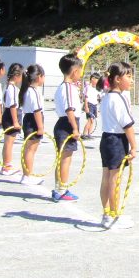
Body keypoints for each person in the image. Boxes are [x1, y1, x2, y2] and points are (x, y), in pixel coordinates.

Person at [99, 61, 137, 229]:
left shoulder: (106, 97)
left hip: (106, 139)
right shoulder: (119, 98)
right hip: (116, 141)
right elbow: (127, 125)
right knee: (115, 179)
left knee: (107, 177)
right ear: (117, 79)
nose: (131, 80)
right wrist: (134, 147)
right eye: (128, 76)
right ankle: (114, 215)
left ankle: (107, 213)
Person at [51, 55, 84, 202]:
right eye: (80, 70)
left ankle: (59, 188)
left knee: (62, 158)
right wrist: (75, 129)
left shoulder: (64, 87)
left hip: (64, 123)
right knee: (65, 159)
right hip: (67, 125)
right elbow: (70, 110)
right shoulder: (68, 88)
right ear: (75, 71)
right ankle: (61, 190)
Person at [19, 65, 47, 185]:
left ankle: (26, 175)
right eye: (43, 76)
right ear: (39, 77)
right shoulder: (33, 91)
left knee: (28, 149)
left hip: (28, 119)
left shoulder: (27, 90)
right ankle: (27, 176)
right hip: (33, 121)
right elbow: (37, 111)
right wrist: (40, 127)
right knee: (31, 150)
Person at [0, 63, 24, 177]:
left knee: (8, 142)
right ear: (16, 75)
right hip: (11, 116)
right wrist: (15, 122)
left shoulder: (7, 86)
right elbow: (13, 106)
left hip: (7, 115)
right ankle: (7, 166)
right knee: (9, 143)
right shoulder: (12, 88)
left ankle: (6, 165)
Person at [82, 73, 101, 139]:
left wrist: (98, 109)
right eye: (97, 79)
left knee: (92, 120)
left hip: (94, 105)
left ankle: (89, 134)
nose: (98, 81)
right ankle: (84, 134)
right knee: (90, 120)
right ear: (92, 79)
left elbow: (99, 97)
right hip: (89, 105)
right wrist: (86, 107)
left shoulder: (96, 88)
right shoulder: (87, 87)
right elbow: (86, 98)